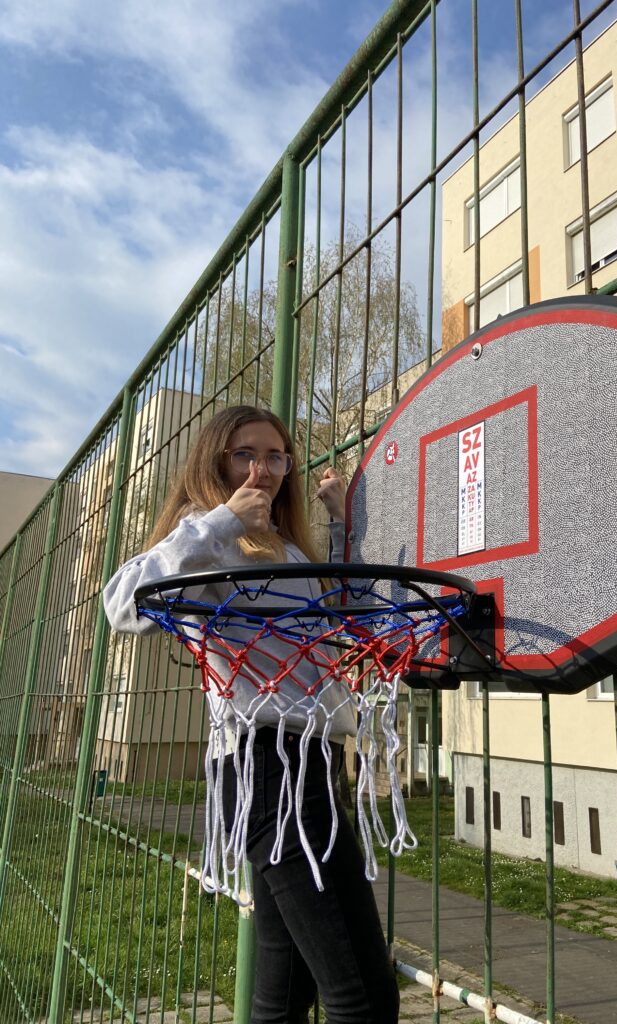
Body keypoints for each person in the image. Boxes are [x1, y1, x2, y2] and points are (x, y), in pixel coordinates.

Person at [103, 405, 400, 1024]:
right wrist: (221, 521)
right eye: (245, 454)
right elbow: (122, 605)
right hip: (264, 760)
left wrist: (341, 524)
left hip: (310, 758)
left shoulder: (285, 548)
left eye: (275, 456)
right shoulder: (204, 534)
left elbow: (342, 614)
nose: (262, 470)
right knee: (364, 995)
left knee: (285, 991)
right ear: (215, 462)